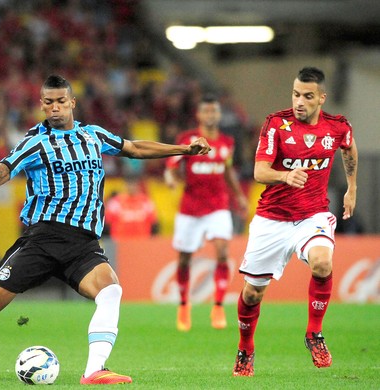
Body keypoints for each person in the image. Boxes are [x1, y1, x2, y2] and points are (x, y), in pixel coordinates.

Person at [0, 74, 210, 385]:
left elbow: (135, 148)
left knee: (111, 290)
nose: (56, 108)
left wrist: (184, 150)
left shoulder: (93, 136)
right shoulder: (34, 142)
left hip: (84, 242)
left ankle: (94, 371)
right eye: (49, 103)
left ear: (72, 102)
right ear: (42, 106)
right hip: (44, 238)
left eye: (61, 101)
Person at [232, 67, 358, 376]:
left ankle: (314, 333)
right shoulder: (276, 124)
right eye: (295, 94)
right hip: (272, 219)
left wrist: (352, 188)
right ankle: (245, 349)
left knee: (322, 263)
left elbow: (349, 148)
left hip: (312, 215)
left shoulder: (336, 127)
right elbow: (259, 172)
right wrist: (286, 176)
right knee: (252, 294)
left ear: (321, 98)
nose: (300, 101)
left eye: (307, 96)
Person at [163, 95, 247, 331]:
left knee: (222, 252)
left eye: (214, 111)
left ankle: (218, 305)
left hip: (218, 206)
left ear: (218, 115)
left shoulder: (226, 142)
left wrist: (239, 195)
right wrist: (170, 179)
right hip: (190, 208)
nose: (210, 115)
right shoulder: (188, 140)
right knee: (184, 259)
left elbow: (228, 170)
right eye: (206, 111)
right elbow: (171, 165)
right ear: (199, 115)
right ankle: (183, 305)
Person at [104, 176, 158, 240]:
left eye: (133, 184)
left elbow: (154, 224)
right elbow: (107, 224)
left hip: (142, 241)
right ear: (125, 185)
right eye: (129, 184)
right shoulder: (115, 201)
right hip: (120, 242)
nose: (131, 186)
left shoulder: (146, 201)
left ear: (137, 185)